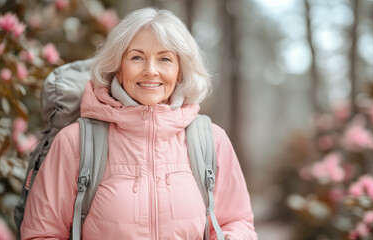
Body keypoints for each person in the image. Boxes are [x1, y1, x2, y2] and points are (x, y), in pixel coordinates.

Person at [20, 7, 257, 240]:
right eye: (136, 57)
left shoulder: (211, 140)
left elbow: (237, 221)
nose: (151, 70)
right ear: (119, 69)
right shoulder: (76, 142)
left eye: (164, 58)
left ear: (180, 71)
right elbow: (41, 232)